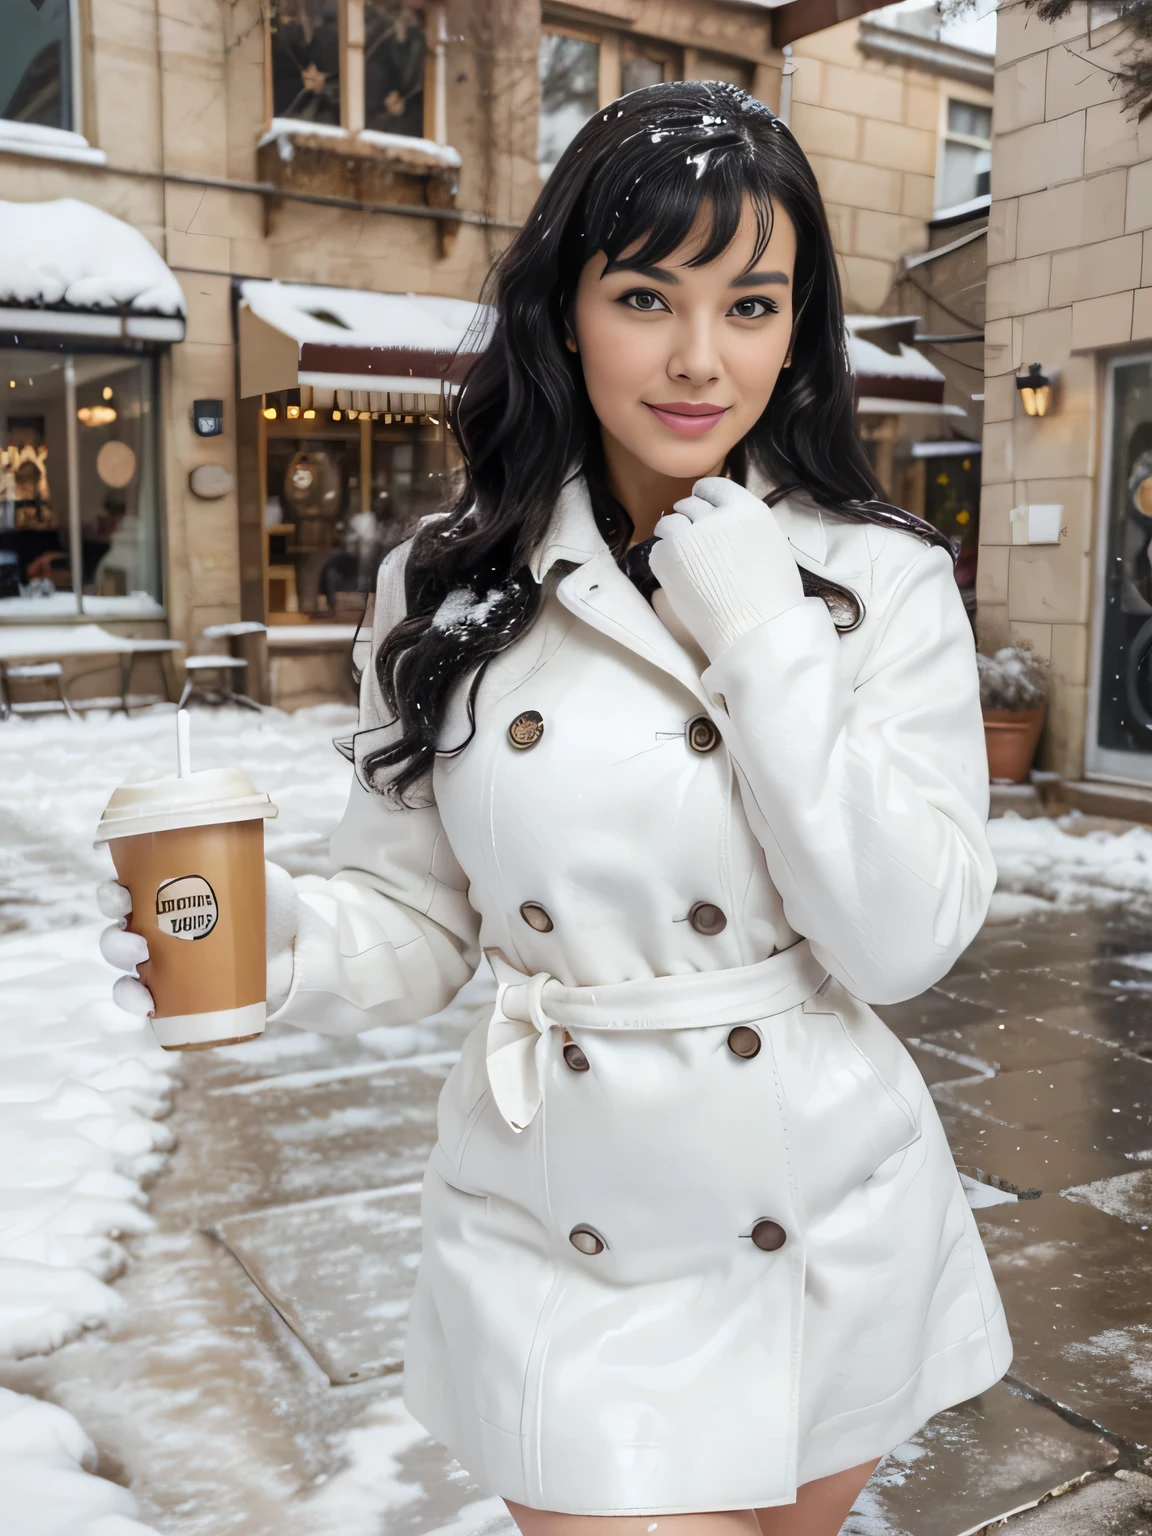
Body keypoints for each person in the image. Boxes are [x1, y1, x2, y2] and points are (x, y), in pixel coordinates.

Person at [101, 82, 1010, 1536]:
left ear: (800, 327)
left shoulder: (878, 581)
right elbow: (411, 915)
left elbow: (901, 943)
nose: (702, 359)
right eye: (648, 294)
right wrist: (266, 940)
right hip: (564, 1226)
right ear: (566, 309)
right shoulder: (447, 587)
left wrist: (766, 638)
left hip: (824, 1217)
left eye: (754, 304)